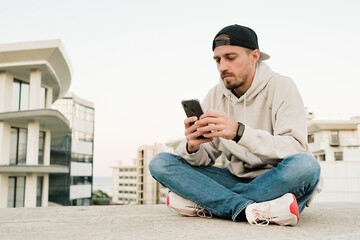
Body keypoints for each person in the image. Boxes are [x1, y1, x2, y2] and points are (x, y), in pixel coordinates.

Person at [149, 24, 321, 226]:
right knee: (161, 163)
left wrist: (239, 132)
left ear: (254, 56)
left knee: (306, 167)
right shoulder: (215, 95)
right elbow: (204, 158)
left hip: (277, 180)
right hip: (235, 179)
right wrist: (193, 147)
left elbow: (295, 148)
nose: (222, 67)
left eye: (230, 58)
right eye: (217, 60)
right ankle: (254, 210)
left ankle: (213, 202)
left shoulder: (282, 86)